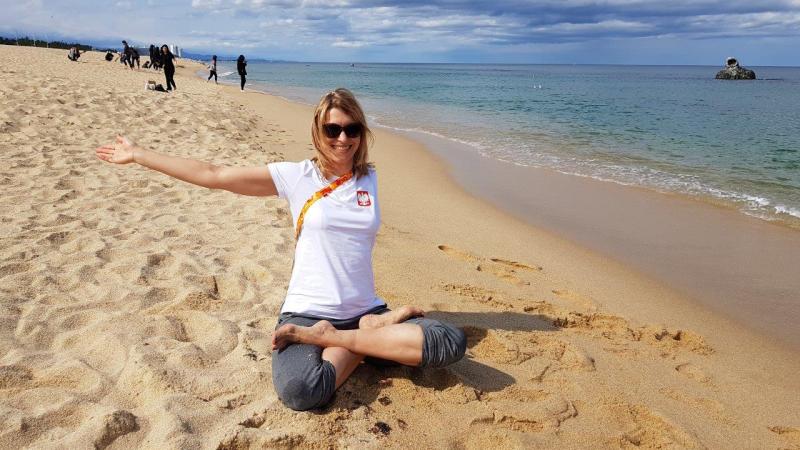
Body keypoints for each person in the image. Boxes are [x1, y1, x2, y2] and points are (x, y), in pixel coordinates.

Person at [94, 88, 467, 411]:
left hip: (366, 308)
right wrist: (140, 154)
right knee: (299, 390)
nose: (342, 138)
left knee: (449, 342)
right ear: (318, 131)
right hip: (307, 313)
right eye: (332, 129)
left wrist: (343, 334)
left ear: (362, 132)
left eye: (351, 129)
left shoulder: (369, 177)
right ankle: (365, 342)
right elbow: (214, 174)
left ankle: (343, 338)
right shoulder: (298, 176)